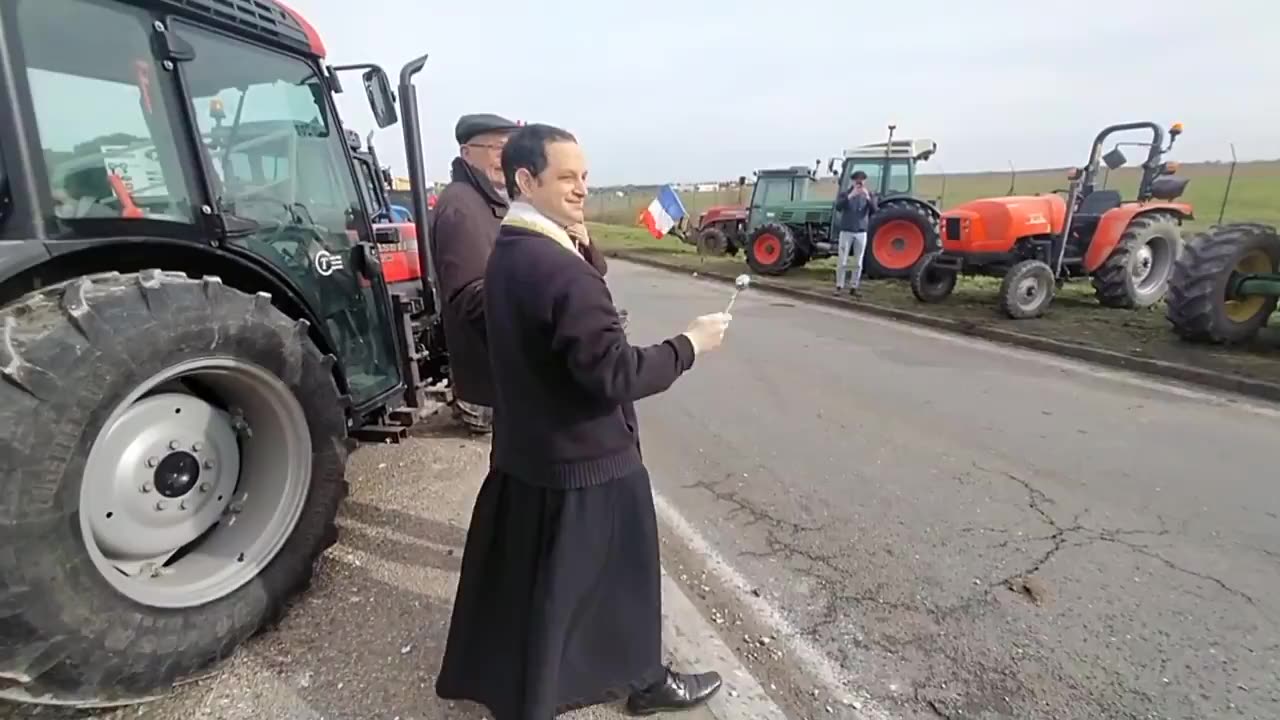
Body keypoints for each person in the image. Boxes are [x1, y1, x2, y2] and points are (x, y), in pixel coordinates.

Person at [435, 123, 730, 719]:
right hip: (589, 459)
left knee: (544, 589)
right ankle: (646, 683)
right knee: (624, 583)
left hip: (535, 449)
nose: (581, 190)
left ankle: (530, 694)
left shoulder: (512, 251)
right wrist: (689, 345)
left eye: (585, 178)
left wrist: (580, 242)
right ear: (525, 178)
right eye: (567, 178)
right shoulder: (558, 270)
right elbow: (615, 376)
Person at [430, 114, 612, 433]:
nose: (506, 158)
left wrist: (582, 246)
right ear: (466, 153)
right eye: (497, 148)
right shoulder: (461, 207)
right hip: (498, 380)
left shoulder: (510, 204)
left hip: (521, 374)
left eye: (510, 148)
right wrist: (555, 308)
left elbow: (592, 270)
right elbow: (469, 299)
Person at [833, 170, 878, 297]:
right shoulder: (845, 194)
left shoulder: (870, 194)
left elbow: (875, 210)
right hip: (846, 230)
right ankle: (839, 286)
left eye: (862, 180)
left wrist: (868, 198)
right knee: (843, 260)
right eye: (857, 180)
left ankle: (854, 287)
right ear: (853, 181)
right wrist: (850, 196)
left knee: (858, 262)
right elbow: (838, 207)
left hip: (861, 231)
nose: (859, 182)